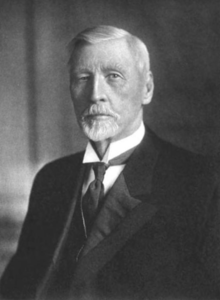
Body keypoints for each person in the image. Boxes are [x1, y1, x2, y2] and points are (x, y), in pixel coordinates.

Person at [0, 25, 220, 300]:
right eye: (82, 77)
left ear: (147, 88)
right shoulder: (51, 179)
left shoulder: (200, 181)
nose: (95, 94)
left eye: (113, 76)